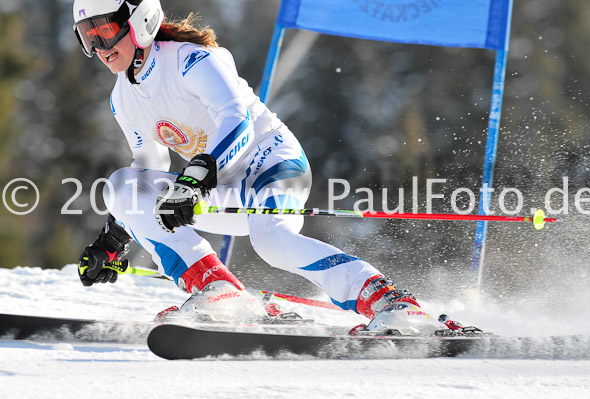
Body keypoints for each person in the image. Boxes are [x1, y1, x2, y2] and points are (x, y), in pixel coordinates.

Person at [73, 0, 433, 333]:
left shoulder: (190, 60)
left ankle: (391, 302)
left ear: (140, 20)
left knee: (273, 240)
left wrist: (195, 178)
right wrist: (115, 237)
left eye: (105, 31)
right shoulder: (123, 97)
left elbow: (237, 121)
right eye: (88, 37)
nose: (100, 48)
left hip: (275, 165)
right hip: (220, 188)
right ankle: (218, 290)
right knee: (123, 184)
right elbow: (149, 169)